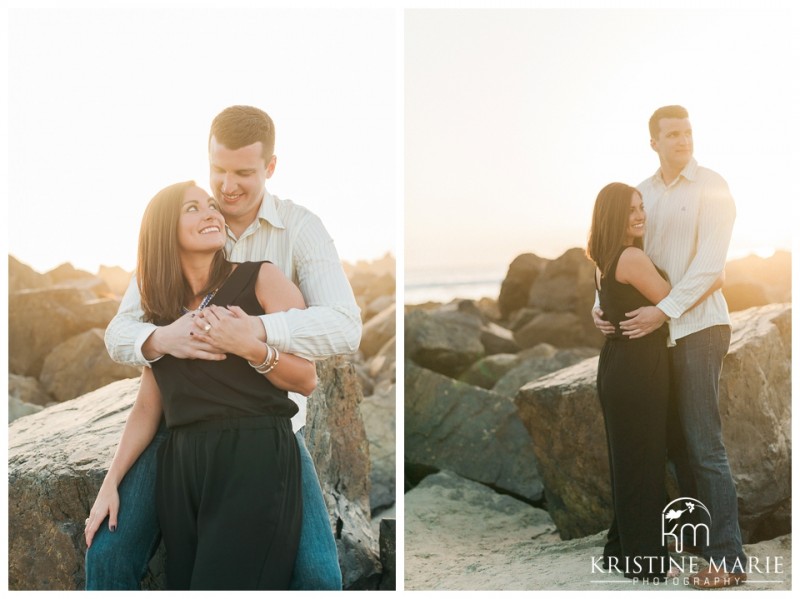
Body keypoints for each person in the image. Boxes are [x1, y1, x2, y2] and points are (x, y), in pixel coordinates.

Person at [87, 106, 362, 590]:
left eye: (243, 173)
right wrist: (163, 337)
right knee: (109, 553)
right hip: (179, 433)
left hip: (260, 430)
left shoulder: (297, 231)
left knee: (319, 576)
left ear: (269, 168)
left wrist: (254, 335)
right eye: (218, 172)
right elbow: (121, 334)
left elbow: (343, 327)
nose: (226, 188)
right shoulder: (169, 253)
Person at [593, 105, 745, 588]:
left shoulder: (713, 187)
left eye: (688, 132)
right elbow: (620, 253)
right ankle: (692, 545)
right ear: (653, 142)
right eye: (672, 134)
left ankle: (728, 559)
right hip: (658, 343)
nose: (683, 140)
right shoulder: (644, 195)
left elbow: (711, 269)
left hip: (699, 328)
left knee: (703, 444)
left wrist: (665, 310)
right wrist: (599, 306)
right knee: (674, 446)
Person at [587, 182, 672, 580]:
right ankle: (647, 561)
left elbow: (608, 303)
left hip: (617, 366)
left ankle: (624, 551)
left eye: (641, 207)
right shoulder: (633, 257)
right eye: (630, 210)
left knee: (628, 461)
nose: (640, 215)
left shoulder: (602, 259)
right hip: (639, 368)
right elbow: (670, 296)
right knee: (644, 460)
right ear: (613, 217)